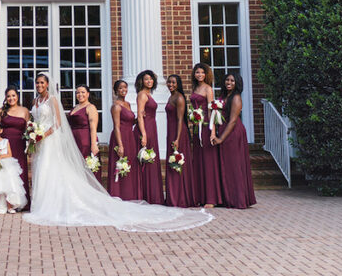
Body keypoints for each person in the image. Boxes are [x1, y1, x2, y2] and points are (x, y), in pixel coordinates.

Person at [23, 73, 212, 232]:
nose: (39, 85)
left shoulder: (53, 100)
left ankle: (53, 204)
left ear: (47, 84)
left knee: (51, 169)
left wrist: (42, 135)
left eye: (42, 82)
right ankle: (42, 204)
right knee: (43, 170)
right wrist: (33, 134)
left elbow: (57, 123)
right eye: (37, 83)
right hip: (40, 142)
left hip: (49, 140)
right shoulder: (36, 101)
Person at [212, 73, 257, 209]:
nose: (229, 82)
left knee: (234, 166)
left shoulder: (236, 98)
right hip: (224, 130)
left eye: (232, 80)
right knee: (226, 165)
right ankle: (228, 198)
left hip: (233, 133)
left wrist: (221, 138)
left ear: (237, 83)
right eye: (227, 80)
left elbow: (232, 121)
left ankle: (238, 200)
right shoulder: (224, 96)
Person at [190, 63, 222, 208]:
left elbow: (212, 110)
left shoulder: (208, 89)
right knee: (198, 161)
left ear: (206, 74)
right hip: (197, 128)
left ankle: (211, 198)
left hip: (206, 126)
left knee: (208, 162)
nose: (200, 75)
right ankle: (200, 196)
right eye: (197, 72)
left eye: (202, 72)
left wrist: (213, 130)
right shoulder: (195, 88)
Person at [0, 86, 31, 211]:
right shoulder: (1, 111)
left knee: (20, 172)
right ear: (6, 98)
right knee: (7, 173)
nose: (11, 98)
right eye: (8, 96)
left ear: (18, 96)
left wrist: (30, 144)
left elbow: (29, 129)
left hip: (19, 144)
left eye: (13, 95)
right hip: (5, 145)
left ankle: (20, 202)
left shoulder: (24, 111)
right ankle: (6, 203)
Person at [134, 70, 164, 204]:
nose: (149, 81)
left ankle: (153, 195)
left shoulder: (148, 94)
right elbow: (140, 115)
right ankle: (147, 194)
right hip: (145, 128)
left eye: (151, 79)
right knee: (147, 160)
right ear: (141, 81)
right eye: (146, 79)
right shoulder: (142, 94)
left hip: (152, 126)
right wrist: (144, 134)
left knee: (151, 159)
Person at [164, 74, 194, 208]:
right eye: (169, 82)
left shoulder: (179, 98)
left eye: (173, 82)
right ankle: (173, 196)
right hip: (171, 132)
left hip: (178, 133)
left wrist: (177, 138)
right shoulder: (171, 96)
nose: (170, 84)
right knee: (173, 165)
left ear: (178, 84)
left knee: (177, 164)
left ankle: (180, 198)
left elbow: (181, 120)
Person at [107, 79, 139, 201]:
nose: (123, 90)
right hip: (120, 137)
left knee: (129, 166)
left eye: (125, 87)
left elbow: (130, 121)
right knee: (120, 165)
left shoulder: (128, 104)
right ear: (116, 91)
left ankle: (130, 194)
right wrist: (120, 145)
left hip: (130, 137)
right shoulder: (116, 106)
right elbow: (116, 126)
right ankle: (119, 194)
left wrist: (140, 118)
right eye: (120, 88)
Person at [69, 84, 100, 179]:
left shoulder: (91, 107)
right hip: (74, 140)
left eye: (83, 92)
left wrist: (93, 144)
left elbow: (93, 127)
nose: (80, 94)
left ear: (88, 94)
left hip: (85, 141)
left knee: (85, 166)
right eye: (78, 92)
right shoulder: (75, 107)